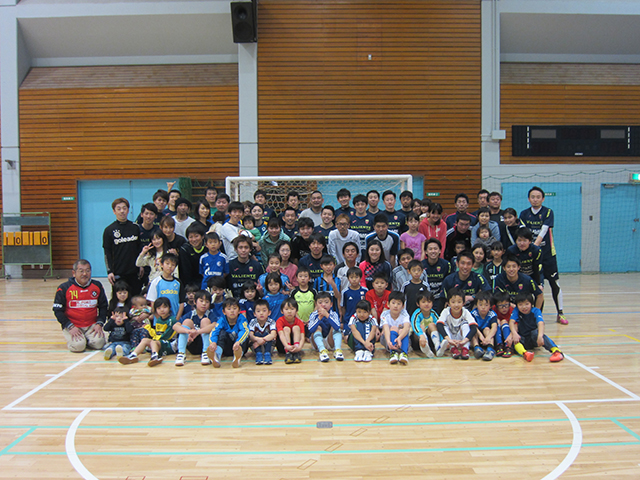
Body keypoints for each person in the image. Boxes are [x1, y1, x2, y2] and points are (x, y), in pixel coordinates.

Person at [519, 186, 568, 324]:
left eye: (538, 197)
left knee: (554, 283)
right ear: (529, 199)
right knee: (537, 287)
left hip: (547, 255)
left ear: (543, 199)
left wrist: (534, 245)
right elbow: (524, 233)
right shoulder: (523, 214)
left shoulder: (548, 212)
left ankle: (560, 313)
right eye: (532, 197)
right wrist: (531, 249)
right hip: (531, 257)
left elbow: (544, 230)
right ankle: (536, 316)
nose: (535, 199)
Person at [53, 259, 108, 353]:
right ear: (74, 273)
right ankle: (80, 340)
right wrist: (70, 326)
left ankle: (86, 339)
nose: (85, 274)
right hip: (73, 326)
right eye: (81, 271)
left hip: (91, 325)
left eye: (87, 271)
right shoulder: (64, 288)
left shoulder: (97, 286)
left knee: (99, 344)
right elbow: (57, 311)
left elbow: (103, 306)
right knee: (79, 347)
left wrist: (99, 323)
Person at [119, 297, 178, 366]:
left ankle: (156, 356)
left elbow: (166, 336)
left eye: (164, 307)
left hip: (170, 344)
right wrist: (148, 328)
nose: (162, 310)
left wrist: (153, 340)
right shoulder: (159, 319)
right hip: (159, 342)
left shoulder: (171, 320)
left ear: (169, 307)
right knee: (144, 340)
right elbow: (156, 334)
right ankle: (133, 355)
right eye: (159, 308)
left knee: (153, 341)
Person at [103, 197, 142, 295]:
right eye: (119, 209)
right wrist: (109, 272)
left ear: (128, 210)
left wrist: (141, 265)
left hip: (134, 272)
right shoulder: (109, 230)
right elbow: (107, 253)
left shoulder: (135, 227)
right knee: (120, 299)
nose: (122, 211)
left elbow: (139, 249)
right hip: (118, 272)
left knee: (135, 298)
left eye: (124, 208)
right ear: (114, 211)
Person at [509, 293, 564, 362]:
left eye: (527, 304)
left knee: (536, 333)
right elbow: (511, 322)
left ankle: (556, 351)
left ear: (531, 304)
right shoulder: (516, 310)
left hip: (534, 338)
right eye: (520, 305)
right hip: (523, 338)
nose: (524, 307)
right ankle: (525, 354)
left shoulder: (535, 311)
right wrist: (514, 334)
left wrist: (540, 336)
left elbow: (541, 323)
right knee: (514, 340)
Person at [173, 290, 216, 366]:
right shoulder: (190, 314)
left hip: (205, 343)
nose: (204, 304)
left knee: (205, 321)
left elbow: (215, 325)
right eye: (201, 301)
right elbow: (175, 326)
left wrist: (198, 332)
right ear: (195, 302)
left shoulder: (211, 315)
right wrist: (188, 331)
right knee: (187, 321)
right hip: (191, 342)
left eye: (207, 302)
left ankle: (206, 353)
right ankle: (181, 354)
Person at [206, 297, 249, 368]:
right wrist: (213, 342)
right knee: (221, 333)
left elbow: (245, 331)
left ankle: (237, 358)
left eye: (234, 308)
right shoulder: (222, 320)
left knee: (245, 336)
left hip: (238, 346)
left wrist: (238, 342)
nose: (232, 311)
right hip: (226, 347)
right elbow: (214, 331)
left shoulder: (242, 319)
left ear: (239, 311)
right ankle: (217, 356)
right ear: (224, 312)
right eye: (229, 309)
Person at [436, 288, 477, 360]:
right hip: (450, 339)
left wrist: (464, 341)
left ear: (463, 303)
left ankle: (465, 349)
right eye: (453, 302)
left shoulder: (465, 312)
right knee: (444, 326)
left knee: (465, 325)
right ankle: (453, 349)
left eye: (459, 302)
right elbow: (439, 325)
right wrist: (449, 339)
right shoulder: (446, 311)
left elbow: (474, 328)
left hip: (462, 339)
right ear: (448, 303)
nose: (456, 305)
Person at [146, 253, 184, 321]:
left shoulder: (178, 282)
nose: (170, 266)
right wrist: (159, 320)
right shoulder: (156, 282)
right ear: (161, 264)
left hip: (175, 319)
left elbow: (181, 302)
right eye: (167, 263)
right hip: (160, 320)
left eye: (173, 265)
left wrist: (177, 319)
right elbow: (153, 302)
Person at [308, 291, 344, 362]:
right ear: (316, 304)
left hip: (330, 341)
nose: (323, 305)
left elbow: (337, 327)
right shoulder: (313, 315)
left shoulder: (334, 314)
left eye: (326, 302)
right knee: (317, 328)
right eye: (320, 302)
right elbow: (311, 330)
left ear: (331, 304)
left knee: (335, 327)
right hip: (317, 342)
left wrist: (327, 315)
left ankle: (338, 350)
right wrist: (319, 318)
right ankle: (322, 352)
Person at [422, 238, 453, 314]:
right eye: (430, 249)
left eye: (435, 249)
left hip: (440, 298)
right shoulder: (421, 265)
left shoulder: (447, 265)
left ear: (440, 251)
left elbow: (449, 284)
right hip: (426, 298)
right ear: (426, 251)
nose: (433, 251)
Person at [380, 291, 411, 365]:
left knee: (402, 330)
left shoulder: (405, 314)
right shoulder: (384, 314)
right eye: (393, 303)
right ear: (388, 304)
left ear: (403, 306)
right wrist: (388, 342)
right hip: (388, 340)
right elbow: (386, 329)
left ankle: (404, 353)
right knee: (393, 328)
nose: (395, 306)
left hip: (402, 340)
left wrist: (399, 338)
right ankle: (393, 353)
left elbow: (407, 328)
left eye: (399, 303)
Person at [410, 291, 442, 358]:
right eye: (423, 302)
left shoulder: (433, 313)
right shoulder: (417, 314)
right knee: (421, 326)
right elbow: (415, 326)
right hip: (418, 340)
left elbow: (440, 325)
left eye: (429, 302)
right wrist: (421, 335)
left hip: (431, 339)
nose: (426, 304)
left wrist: (442, 339)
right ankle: (425, 346)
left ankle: (437, 346)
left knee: (432, 325)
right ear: (418, 304)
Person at [469, 290, 498, 361]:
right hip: (478, 335)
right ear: (476, 305)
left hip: (487, 337)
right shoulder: (473, 313)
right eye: (480, 304)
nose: (483, 307)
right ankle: (477, 348)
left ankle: (490, 349)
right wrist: (480, 336)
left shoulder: (492, 314)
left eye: (486, 305)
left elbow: (494, 327)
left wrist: (488, 338)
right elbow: (473, 326)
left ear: (490, 306)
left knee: (487, 329)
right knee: (473, 330)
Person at [276, 297, 306, 364]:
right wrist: (287, 346)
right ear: (282, 311)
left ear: (296, 311)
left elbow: (302, 337)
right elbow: (281, 335)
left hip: (295, 345)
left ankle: (296, 351)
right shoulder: (279, 321)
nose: (289, 311)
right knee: (286, 328)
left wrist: (299, 347)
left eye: (292, 309)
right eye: (286, 309)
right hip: (283, 345)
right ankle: (288, 353)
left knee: (296, 327)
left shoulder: (299, 322)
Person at [179, 222, 208, 288]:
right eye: (191, 237)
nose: (194, 239)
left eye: (196, 236)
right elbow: (185, 272)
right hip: (191, 283)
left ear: (202, 236)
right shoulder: (185, 249)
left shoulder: (208, 247)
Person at [249, 299, 277, 365]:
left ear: (269, 312)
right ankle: (258, 355)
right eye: (258, 311)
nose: (261, 313)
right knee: (257, 334)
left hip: (268, 347)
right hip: (256, 346)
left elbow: (273, 334)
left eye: (264, 311)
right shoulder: (252, 322)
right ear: (254, 314)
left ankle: (267, 355)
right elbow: (251, 335)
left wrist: (262, 340)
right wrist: (258, 339)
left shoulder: (272, 322)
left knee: (267, 334)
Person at [341, 267, 368, 335]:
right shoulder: (345, 292)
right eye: (351, 277)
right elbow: (343, 307)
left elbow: (368, 306)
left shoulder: (365, 290)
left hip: (362, 320)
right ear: (348, 278)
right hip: (348, 320)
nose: (354, 279)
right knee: (347, 338)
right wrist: (345, 318)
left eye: (356, 277)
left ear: (360, 278)